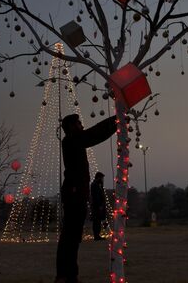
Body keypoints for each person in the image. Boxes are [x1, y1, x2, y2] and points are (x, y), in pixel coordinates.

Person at [56, 113, 117, 283]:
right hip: (74, 195)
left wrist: (114, 122)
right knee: (69, 237)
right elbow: (93, 135)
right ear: (71, 127)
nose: (82, 125)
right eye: (79, 123)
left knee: (73, 238)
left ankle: (70, 275)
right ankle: (64, 275)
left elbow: (92, 135)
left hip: (78, 195)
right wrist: (114, 121)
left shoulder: (75, 141)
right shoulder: (71, 141)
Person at [90, 172, 107, 240]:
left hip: (99, 205)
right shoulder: (95, 185)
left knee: (98, 221)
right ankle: (96, 235)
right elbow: (96, 196)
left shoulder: (99, 185)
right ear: (99, 177)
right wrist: (99, 205)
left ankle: (97, 235)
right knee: (96, 221)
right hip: (97, 206)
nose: (102, 179)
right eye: (102, 178)